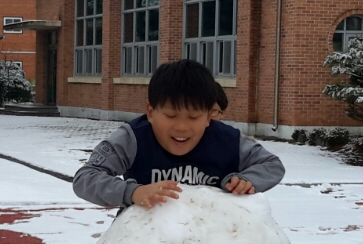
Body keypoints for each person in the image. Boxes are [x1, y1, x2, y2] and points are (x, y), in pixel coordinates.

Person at [73, 59, 285, 211]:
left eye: (193, 117)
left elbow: (272, 165)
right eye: (171, 115)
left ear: (209, 116)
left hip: (213, 243)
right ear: (150, 112)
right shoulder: (133, 138)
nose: (182, 127)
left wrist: (245, 180)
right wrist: (133, 192)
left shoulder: (228, 141)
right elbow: (86, 178)